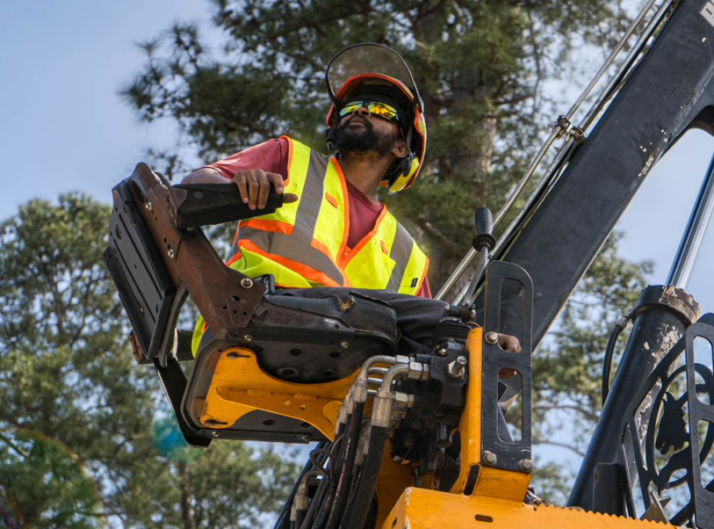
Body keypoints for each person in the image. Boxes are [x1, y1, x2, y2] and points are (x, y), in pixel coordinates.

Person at [183, 43, 519, 355]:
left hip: (337, 358)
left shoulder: (409, 255)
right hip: (255, 311)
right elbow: (194, 186)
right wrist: (236, 184)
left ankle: (486, 372)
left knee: (445, 350)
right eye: (353, 108)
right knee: (448, 324)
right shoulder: (289, 158)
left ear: (401, 147)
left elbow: (425, 329)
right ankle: (483, 345)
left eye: (378, 110)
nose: (358, 113)